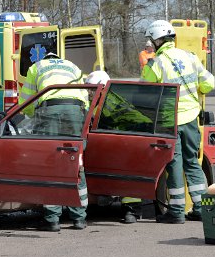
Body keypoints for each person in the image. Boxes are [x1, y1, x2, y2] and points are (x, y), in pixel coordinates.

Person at [141, 19, 215, 223]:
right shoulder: (190, 57)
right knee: (192, 163)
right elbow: (209, 83)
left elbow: (144, 94)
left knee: (174, 164)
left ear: (156, 41)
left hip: (169, 122)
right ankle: (201, 208)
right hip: (191, 118)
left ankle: (176, 211)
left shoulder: (156, 64)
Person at [20, 52, 89, 231]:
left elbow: (26, 100)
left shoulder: (36, 67)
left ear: (45, 58)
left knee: (51, 163)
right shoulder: (72, 66)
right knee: (76, 163)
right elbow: (85, 96)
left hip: (49, 110)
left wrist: (31, 116)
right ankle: (79, 218)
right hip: (75, 111)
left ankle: (52, 219)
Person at [85, 70, 147, 224]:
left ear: (102, 87)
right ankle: (102, 198)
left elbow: (98, 120)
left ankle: (132, 209)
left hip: (129, 139)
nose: (89, 93)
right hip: (121, 138)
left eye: (92, 89)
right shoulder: (104, 99)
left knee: (126, 172)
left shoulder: (108, 101)